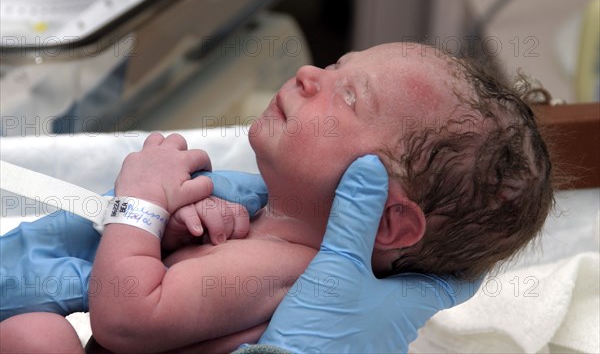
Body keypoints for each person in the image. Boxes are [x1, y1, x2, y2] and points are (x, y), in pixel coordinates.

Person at [0, 42, 553, 352]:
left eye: (351, 97)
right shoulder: (266, 223)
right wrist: (185, 225)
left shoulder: (283, 267)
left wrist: (140, 204)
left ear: (385, 220)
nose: (311, 74)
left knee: (36, 337)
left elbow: (127, 319)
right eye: (338, 65)